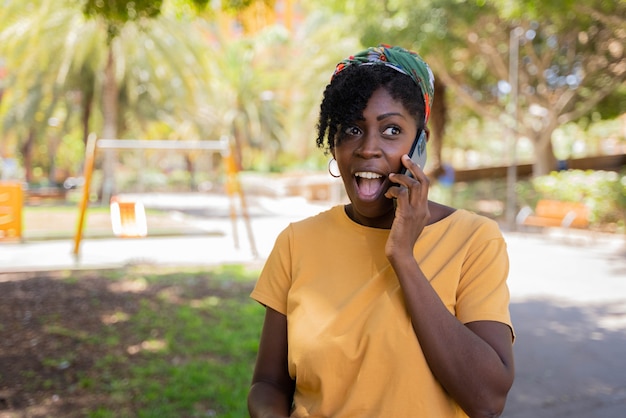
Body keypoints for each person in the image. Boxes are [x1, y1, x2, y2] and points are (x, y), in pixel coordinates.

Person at [248, 44, 515, 418]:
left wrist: (403, 257)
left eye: (391, 130)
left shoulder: (474, 240)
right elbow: (268, 384)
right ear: (334, 144)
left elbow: (487, 401)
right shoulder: (296, 242)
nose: (368, 149)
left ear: (418, 146)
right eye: (352, 129)